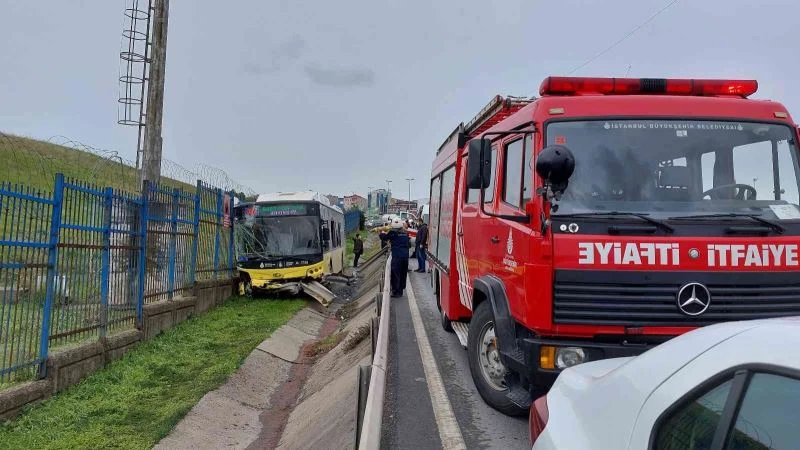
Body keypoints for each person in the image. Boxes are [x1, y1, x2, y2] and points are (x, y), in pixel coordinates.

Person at [379, 217, 410, 297]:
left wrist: (381, 231)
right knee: (403, 273)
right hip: (405, 256)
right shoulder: (405, 233)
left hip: (397, 256)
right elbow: (409, 244)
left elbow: (384, 237)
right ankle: (401, 290)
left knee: (395, 273)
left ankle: (396, 291)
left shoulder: (393, 232)